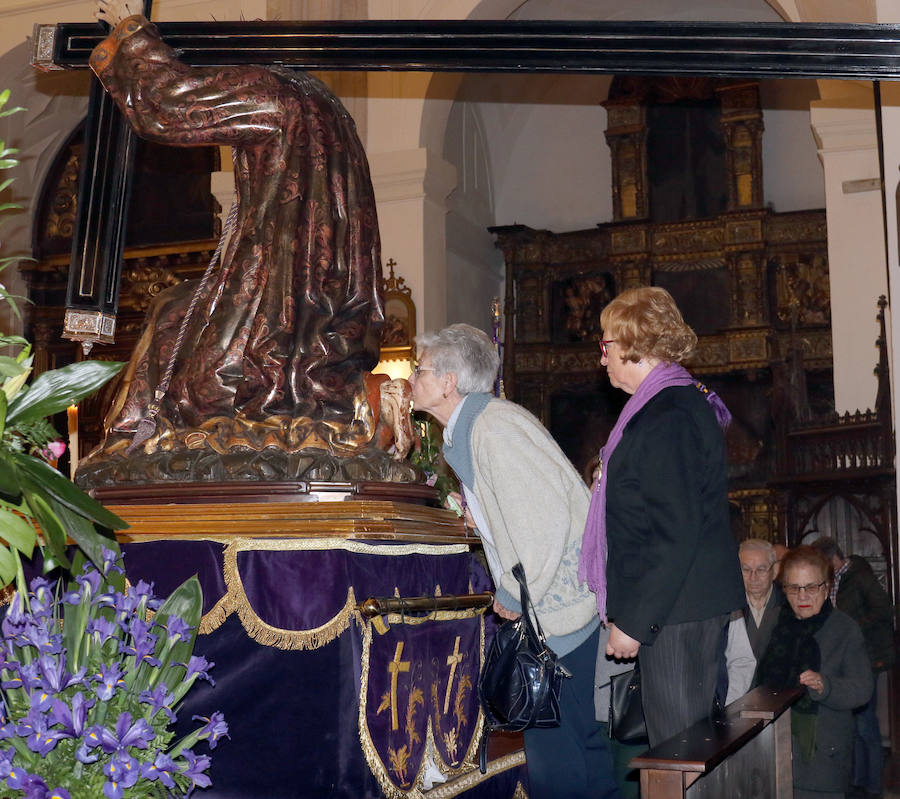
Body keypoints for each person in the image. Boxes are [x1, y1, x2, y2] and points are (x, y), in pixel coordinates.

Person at [79, 0, 391, 483]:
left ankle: (135, 440)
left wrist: (130, 36)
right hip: (321, 280)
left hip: (281, 279)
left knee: (201, 369)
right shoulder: (325, 103)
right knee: (175, 312)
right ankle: (134, 437)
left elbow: (171, 106)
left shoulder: (273, 93)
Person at [409, 323, 620, 799]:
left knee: (555, 756)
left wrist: (509, 592)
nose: (412, 378)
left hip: (556, 608)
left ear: (448, 382)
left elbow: (542, 526)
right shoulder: (480, 426)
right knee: (579, 742)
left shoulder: (494, 429)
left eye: (420, 370)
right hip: (560, 606)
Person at [579, 285, 745, 746]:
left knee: (679, 754)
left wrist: (636, 621)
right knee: (681, 749)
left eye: (606, 345)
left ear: (633, 343)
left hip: (678, 611)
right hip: (679, 606)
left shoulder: (668, 413)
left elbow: (673, 532)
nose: (602, 358)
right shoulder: (662, 405)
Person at [758, 546, 873, 799]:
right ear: (784, 588)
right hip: (773, 754)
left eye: (811, 587)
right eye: (794, 587)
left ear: (827, 587)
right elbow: (756, 680)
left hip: (823, 758)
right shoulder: (773, 622)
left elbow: (863, 689)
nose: (802, 596)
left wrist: (826, 686)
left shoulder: (844, 629)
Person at [811, 537, 895, 799]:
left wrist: (852, 627)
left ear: (832, 558)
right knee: (856, 722)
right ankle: (858, 781)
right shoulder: (836, 578)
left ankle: (873, 786)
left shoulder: (860, 576)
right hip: (847, 657)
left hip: (868, 656)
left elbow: (885, 609)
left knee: (866, 723)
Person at [740, 538, 786, 662]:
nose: (753, 577)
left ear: (775, 571)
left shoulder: (789, 605)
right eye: (746, 570)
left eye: (761, 570)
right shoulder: (729, 608)